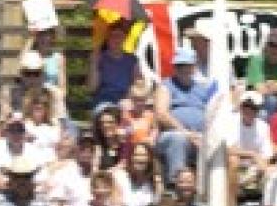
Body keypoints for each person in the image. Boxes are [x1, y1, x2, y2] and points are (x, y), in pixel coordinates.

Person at [155, 47, 219, 184]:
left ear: (194, 67)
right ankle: (176, 185)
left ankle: (208, 188)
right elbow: (161, 114)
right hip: (174, 133)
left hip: (200, 135)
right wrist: (186, 133)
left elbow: (212, 112)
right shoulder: (166, 85)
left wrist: (204, 135)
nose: (183, 69)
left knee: (216, 143)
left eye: (187, 65)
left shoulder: (202, 89)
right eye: (180, 65)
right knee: (178, 139)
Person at [243, 27, 277, 117]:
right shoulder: (256, 60)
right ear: (266, 45)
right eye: (271, 45)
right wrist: (275, 88)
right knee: (271, 101)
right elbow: (259, 89)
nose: (274, 49)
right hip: (259, 104)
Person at [87, 21, 142, 107]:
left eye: (119, 36)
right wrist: (94, 63)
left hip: (126, 99)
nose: (116, 39)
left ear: (125, 38)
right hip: (104, 99)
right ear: (107, 38)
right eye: (113, 36)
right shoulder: (100, 58)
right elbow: (92, 88)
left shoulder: (132, 60)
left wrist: (128, 98)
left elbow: (137, 84)